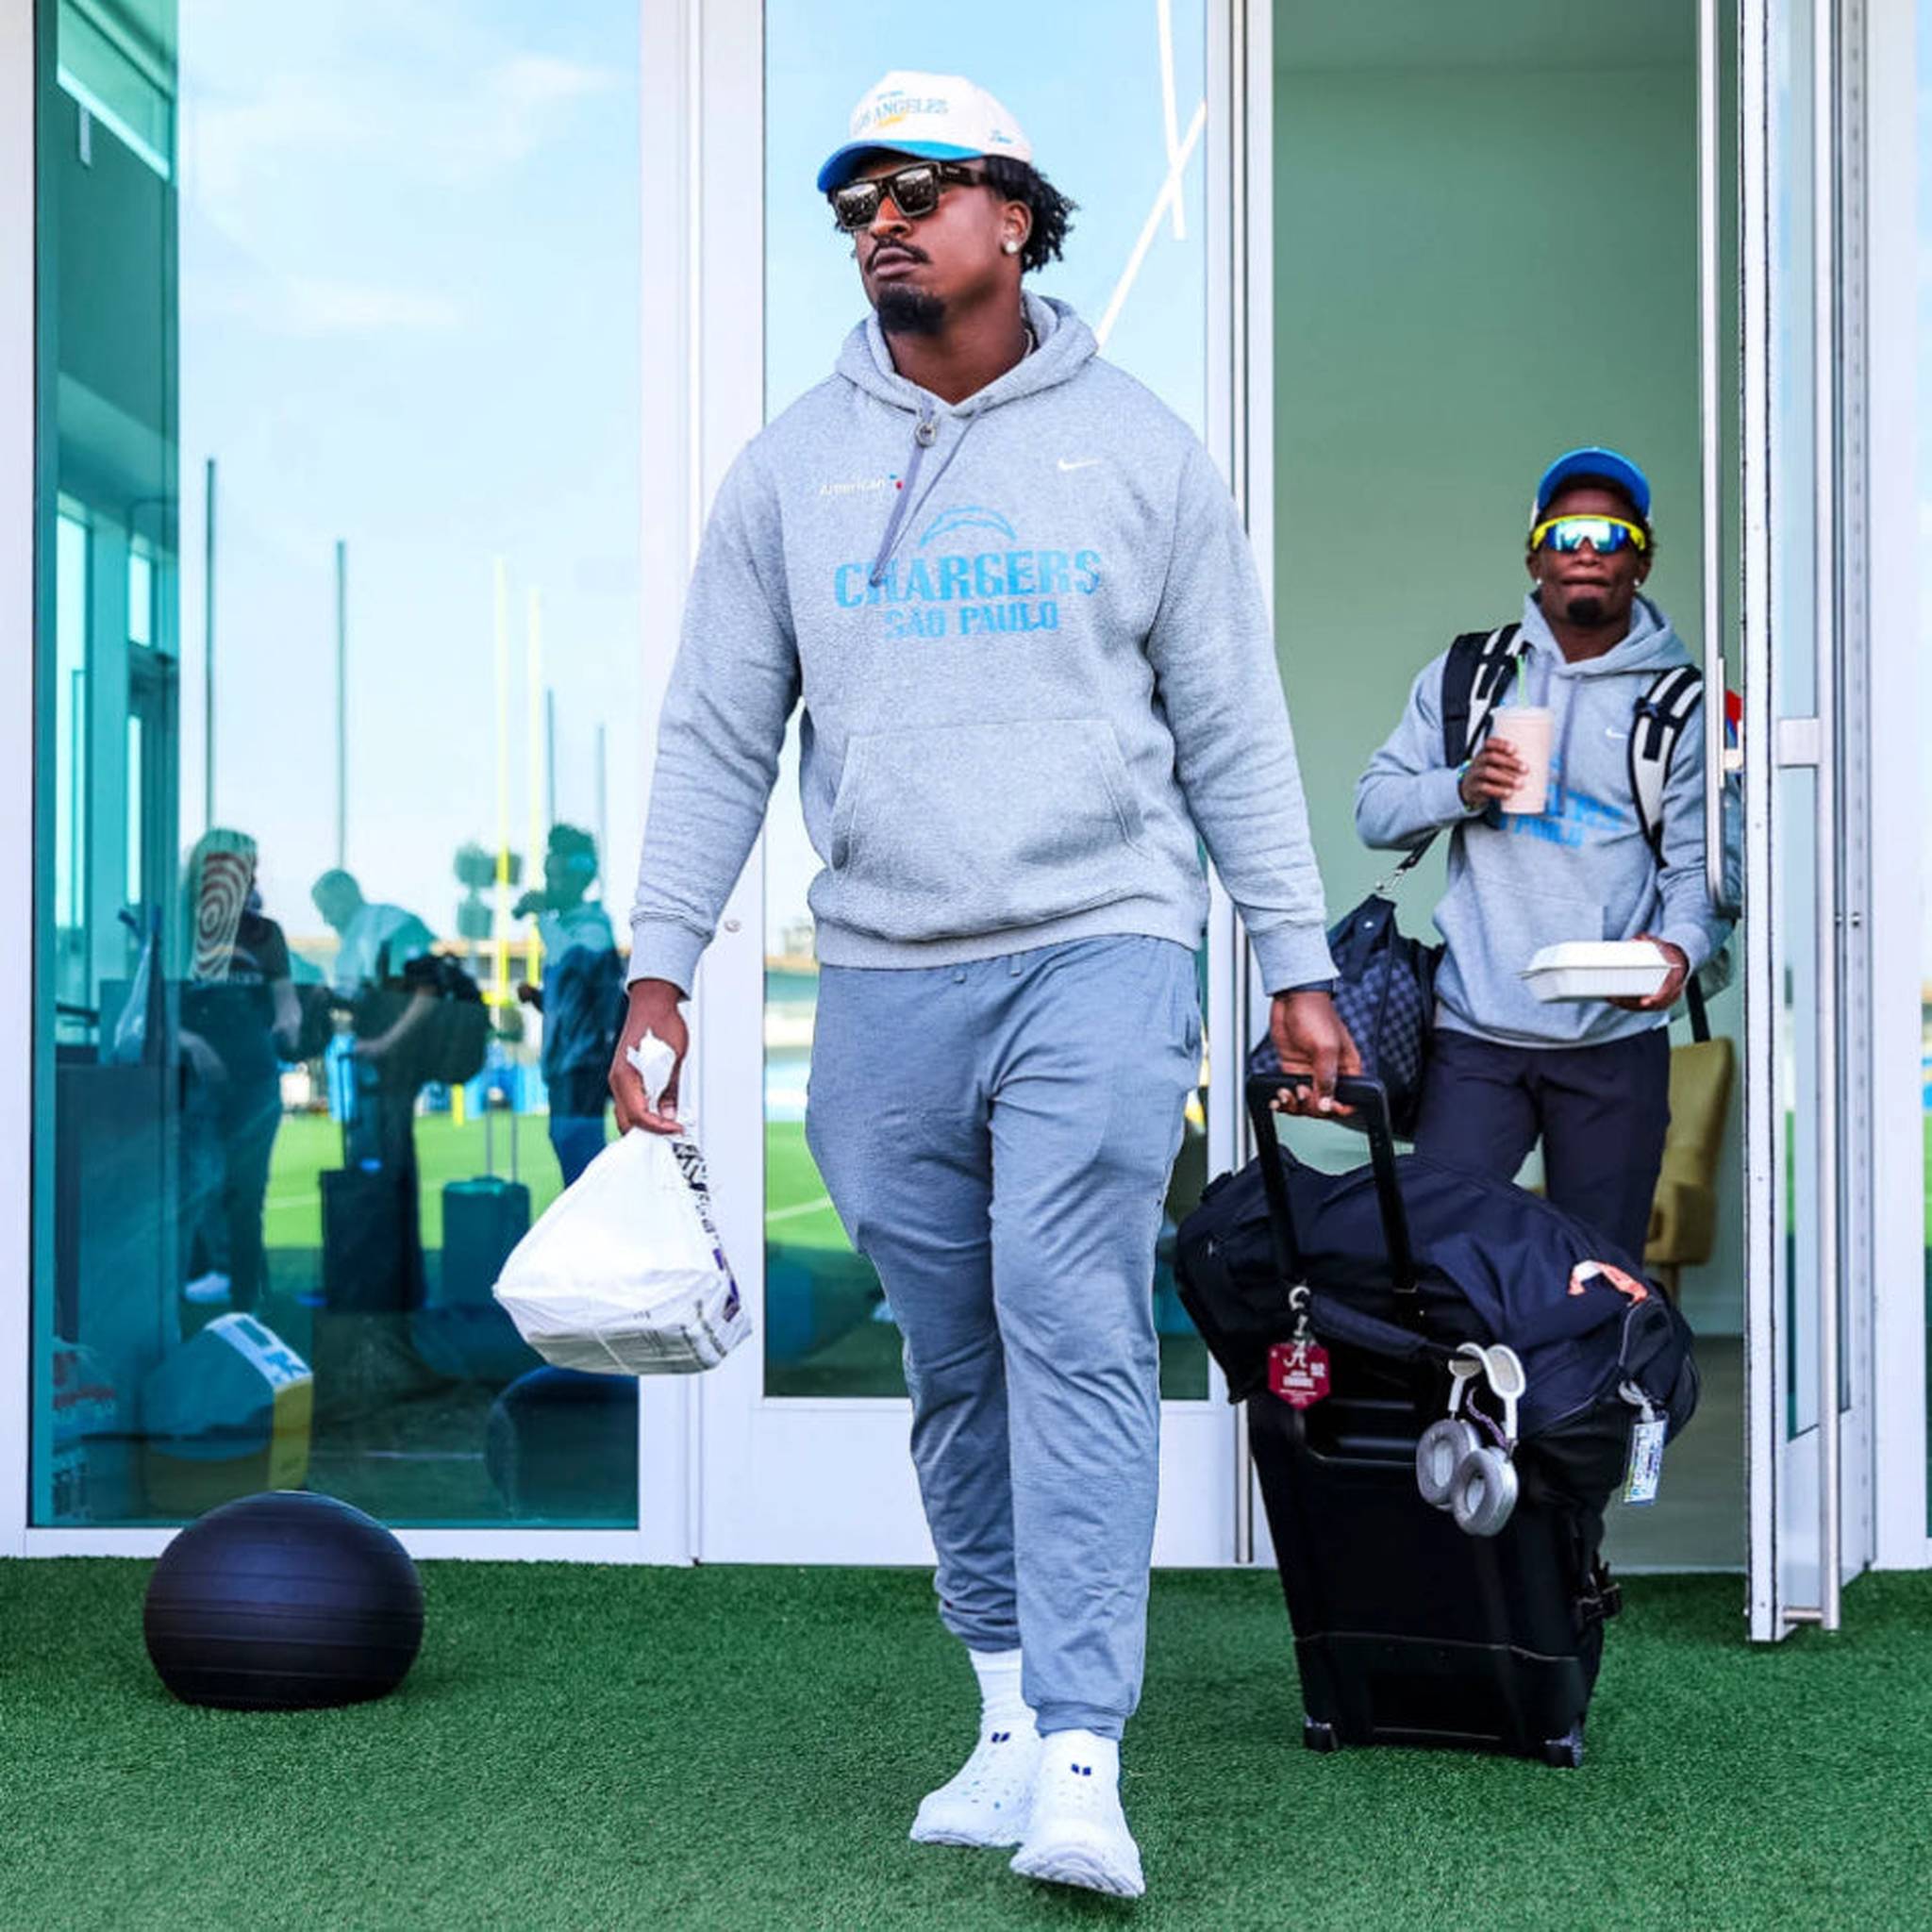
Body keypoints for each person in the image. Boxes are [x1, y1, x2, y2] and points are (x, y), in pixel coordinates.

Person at [614, 72, 1351, 1900]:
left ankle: (1087, 1758)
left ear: (1013, 215)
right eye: (856, 194)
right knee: (951, 1355)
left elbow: (1232, 730)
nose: (881, 218)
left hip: (1100, 938)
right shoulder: (786, 469)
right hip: (881, 971)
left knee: (1067, 1313)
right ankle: (1008, 1712)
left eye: (921, 187)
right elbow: (714, 735)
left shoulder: (1140, 451)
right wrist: (658, 968)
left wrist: (1295, 962)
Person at [1356, 446, 1733, 1262]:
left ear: (1641, 561)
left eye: (1611, 533)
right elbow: (1374, 811)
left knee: (1599, 1274)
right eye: (1566, 534)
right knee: (1440, 1261)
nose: (1587, 549)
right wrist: (1460, 787)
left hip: (1612, 1041)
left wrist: (1680, 950)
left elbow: (1703, 871)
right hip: (1474, 1032)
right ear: (1535, 558)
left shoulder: (1681, 704)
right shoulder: (1470, 676)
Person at [177, 831, 300, 1310]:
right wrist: (192, 1044)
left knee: (247, 1193)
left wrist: (289, 1023)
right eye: (237, 868)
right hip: (197, 1084)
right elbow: (153, 1008)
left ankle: (246, 1296)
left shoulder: (264, 934)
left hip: (254, 1079)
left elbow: (286, 1001)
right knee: (202, 1186)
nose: (248, 879)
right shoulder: (184, 929)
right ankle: (207, 1281)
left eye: (251, 869)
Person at [515, 824, 623, 1186]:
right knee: (567, 1145)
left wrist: (542, 918)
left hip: (584, 1063)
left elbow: (576, 961)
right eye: (549, 875)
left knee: (579, 1149)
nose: (551, 885)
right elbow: (575, 1005)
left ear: (579, 879)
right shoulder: (568, 928)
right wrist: (539, 999)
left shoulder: (593, 928)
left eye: (557, 876)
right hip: (564, 1064)